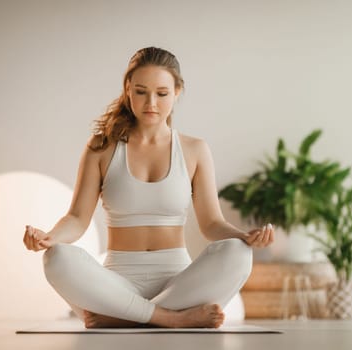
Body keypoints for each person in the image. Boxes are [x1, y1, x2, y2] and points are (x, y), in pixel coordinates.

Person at [22, 47, 275, 329]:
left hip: (178, 283)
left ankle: (122, 317)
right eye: (141, 91)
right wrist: (50, 237)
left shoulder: (194, 150)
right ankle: (170, 318)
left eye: (162, 93)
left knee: (238, 253)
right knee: (56, 258)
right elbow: (77, 219)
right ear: (127, 89)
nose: (150, 103)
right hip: (116, 282)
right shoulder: (101, 147)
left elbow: (212, 224)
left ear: (177, 91)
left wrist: (244, 237)